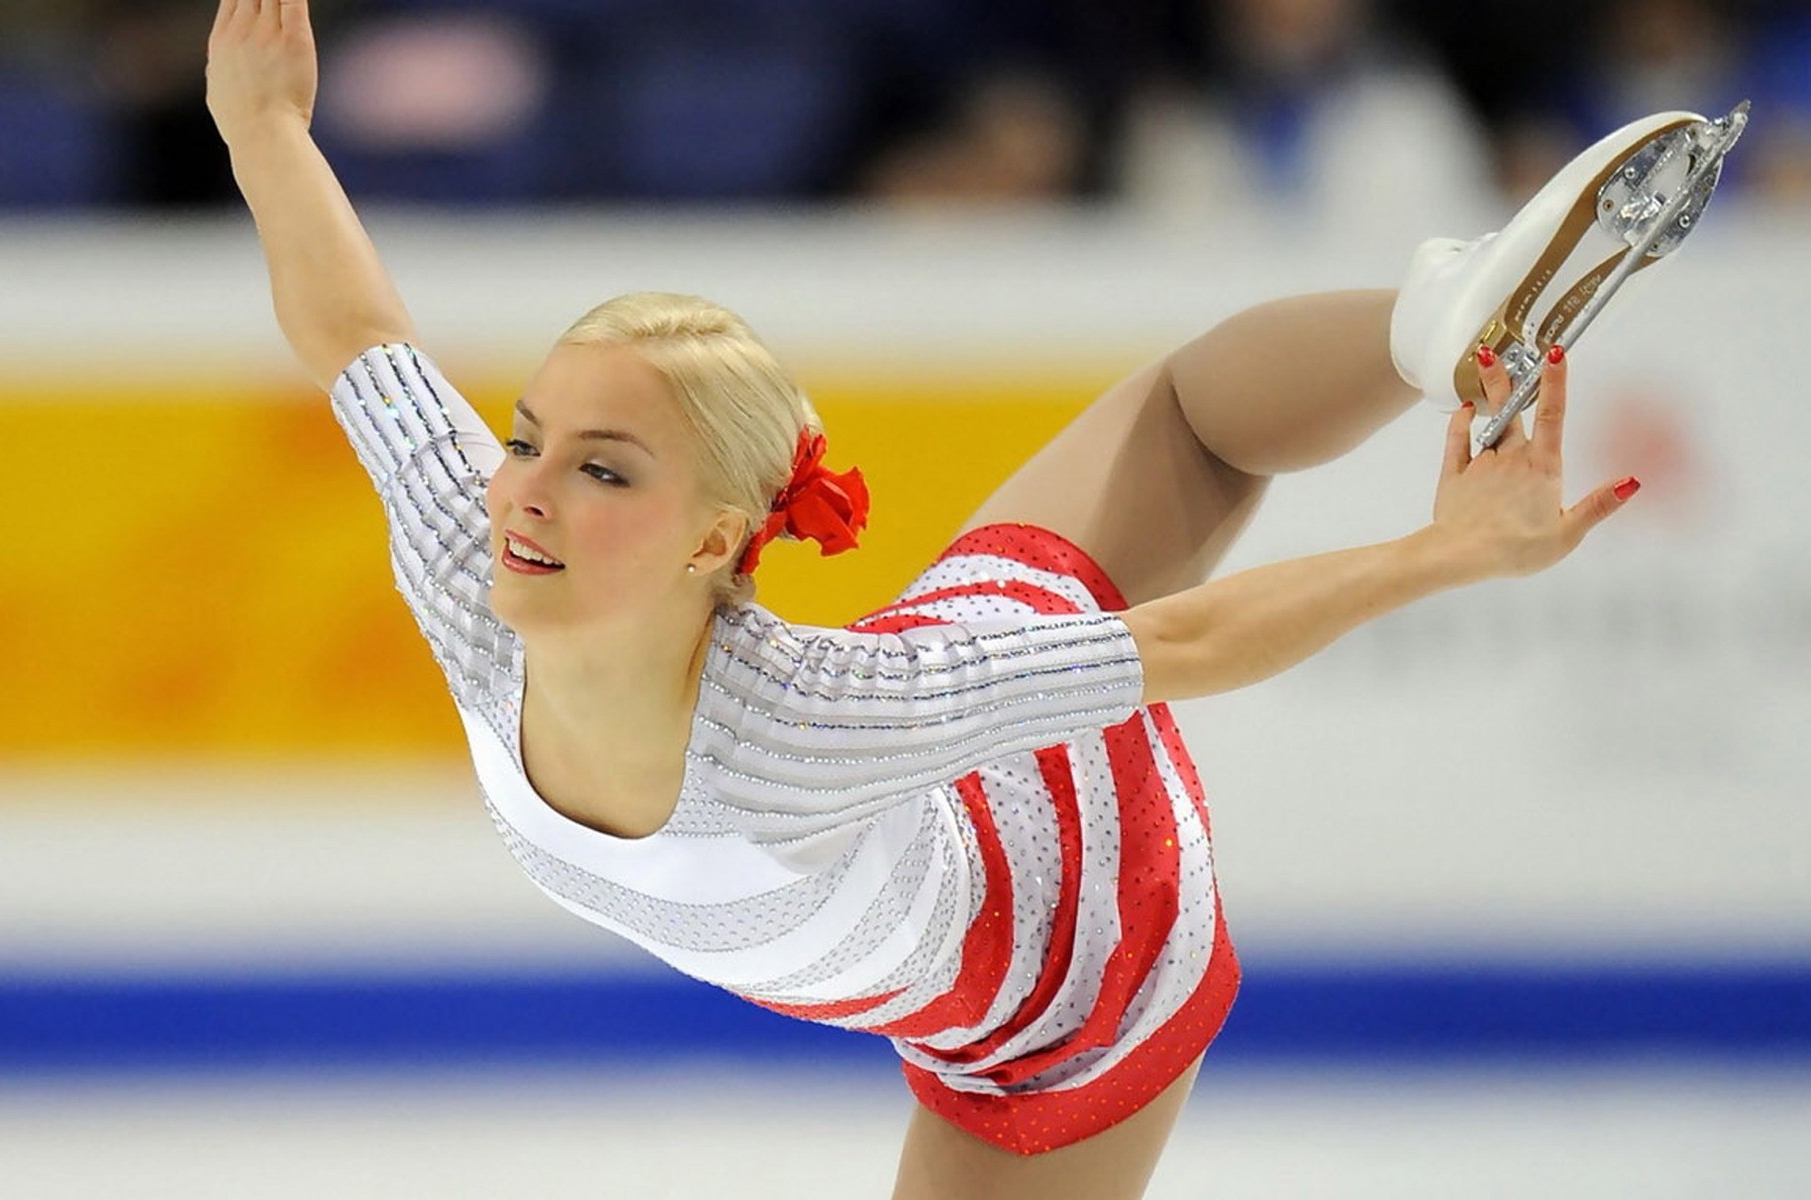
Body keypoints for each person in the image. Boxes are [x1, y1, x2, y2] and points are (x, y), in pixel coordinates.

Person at [206, 2, 1668, 1197]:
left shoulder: (797, 726)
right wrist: (263, 125)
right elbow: (358, 334)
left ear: (720, 539)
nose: (520, 487)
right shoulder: (474, 565)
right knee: (1187, 425)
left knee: (1198, 427)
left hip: (1078, 947)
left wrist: (1451, 552)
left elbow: (1182, 643)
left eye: (601, 471)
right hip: (955, 745)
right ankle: (1444, 321)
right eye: (528, 436)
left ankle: (1455, 311)